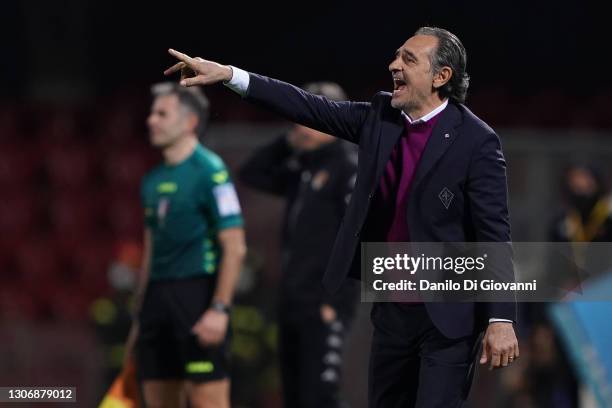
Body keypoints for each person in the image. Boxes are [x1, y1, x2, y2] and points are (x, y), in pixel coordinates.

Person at [164, 26, 518, 407]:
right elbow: (306, 105)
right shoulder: (380, 116)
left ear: (441, 76)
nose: (393, 64)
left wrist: (500, 317)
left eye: (408, 59)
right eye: (397, 55)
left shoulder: (476, 140)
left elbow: (493, 232)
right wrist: (230, 75)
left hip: (449, 317)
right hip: (392, 312)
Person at [125, 82, 246, 408]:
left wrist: (219, 309)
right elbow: (150, 250)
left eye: (162, 113)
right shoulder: (151, 180)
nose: (151, 120)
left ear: (190, 122)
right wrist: (140, 314)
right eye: (152, 112)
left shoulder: (211, 172)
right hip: (157, 302)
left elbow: (235, 246)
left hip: (197, 297)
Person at [239, 81, 359, 408]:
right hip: (293, 299)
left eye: (308, 118)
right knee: (295, 395)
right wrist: (288, 142)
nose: (298, 126)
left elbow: (358, 238)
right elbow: (252, 173)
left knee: (321, 395)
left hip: (323, 302)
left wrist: (335, 298)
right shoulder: (305, 166)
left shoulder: (348, 166)